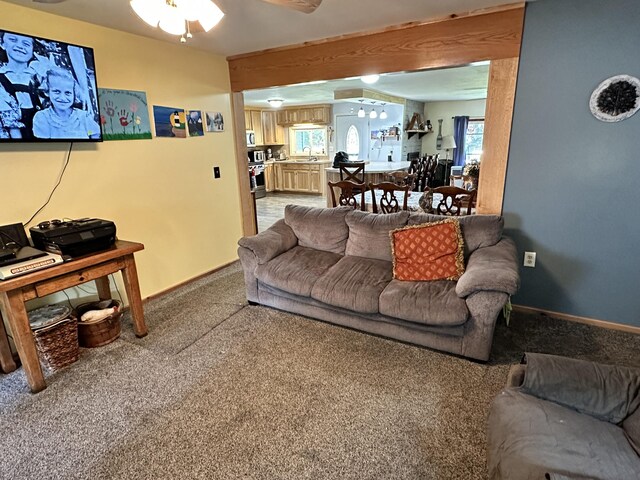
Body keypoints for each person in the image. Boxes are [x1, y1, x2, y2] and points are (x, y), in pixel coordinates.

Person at [32, 67, 100, 139]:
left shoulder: (83, 116)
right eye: (56, 92)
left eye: (68, 93)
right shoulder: (42, 117)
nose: (62, 98)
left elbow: (94, 134)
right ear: (47, 92)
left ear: (74, 94)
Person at [0, 32, 43, 138]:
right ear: (2, 44)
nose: (20, 46)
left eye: (26, 44)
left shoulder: (42, 78)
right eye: (13, 40)